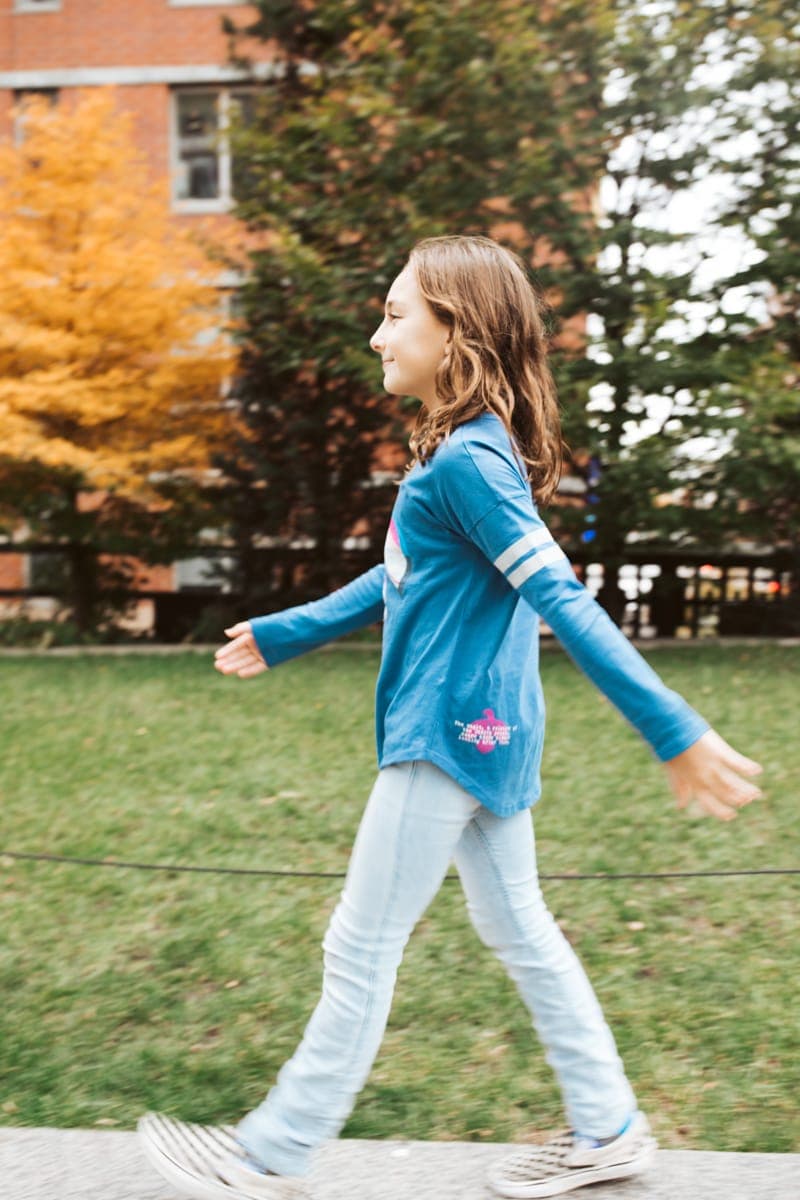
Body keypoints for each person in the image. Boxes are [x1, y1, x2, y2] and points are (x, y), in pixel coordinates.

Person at [138, 236, 763, 1200]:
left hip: (444, 734)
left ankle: (269, 1153)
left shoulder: (470, 463)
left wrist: (671, 727)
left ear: (455, 334)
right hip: (493, 732)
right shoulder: (463, 453)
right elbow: (401, 577)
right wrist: (289, 631)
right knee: (521, 927)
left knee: (360, 943)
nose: (376, 333)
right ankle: (609, 1128)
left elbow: (563, 599)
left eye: (396, 315)